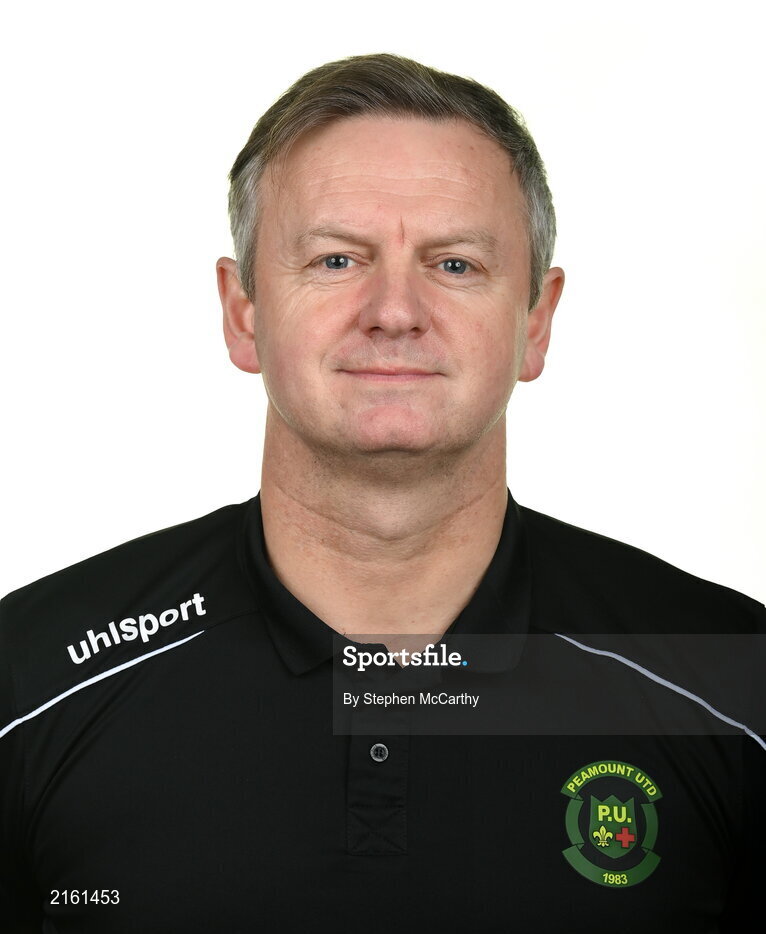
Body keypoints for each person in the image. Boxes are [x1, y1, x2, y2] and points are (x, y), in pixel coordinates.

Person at [1, 53, 763, 933]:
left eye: (455, 265)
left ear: (536, 321)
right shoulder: (32, 677)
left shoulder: (733, 681)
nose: (394, 311)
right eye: (335, 260)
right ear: (243, 311)